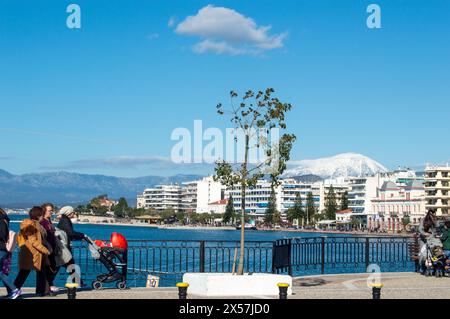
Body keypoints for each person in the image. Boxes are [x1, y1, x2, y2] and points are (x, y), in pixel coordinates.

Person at [14, 206, 51, 297]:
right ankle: (14, 290)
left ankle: (42, 291)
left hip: (36, 253)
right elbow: (33, 241)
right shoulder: (31, 224)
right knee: (24, 273)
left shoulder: (36, 224)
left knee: (40, 272)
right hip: (31, 254)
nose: (43, 216)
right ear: (39, 215)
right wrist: (45, 250)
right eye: (42, 214)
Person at [56, 206, 86, 284]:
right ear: (69, 213)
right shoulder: (65, 220)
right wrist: (82, 235)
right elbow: (70, 233)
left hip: (63, 246)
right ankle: (78, 282)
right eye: (73, 212)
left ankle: (78, 282)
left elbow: (68, 233)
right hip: (64, 247)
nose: (74, 213)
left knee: (68, 265)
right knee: (67, 264)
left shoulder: (64, 220)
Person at [0, 208, 21, 299]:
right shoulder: (4, 220)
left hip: (1, 249)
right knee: (2, 272)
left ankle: (14, 290)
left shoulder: (1, 221)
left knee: (1, 272)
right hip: (4, 249)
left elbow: (2, 235)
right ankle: (11, 291)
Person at [40, 203, 59, 295]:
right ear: (44, 211)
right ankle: (46, 290)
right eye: (49, 210)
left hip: (52, 248)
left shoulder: (48, 221)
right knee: (48, 269)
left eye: (52, 210)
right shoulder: (42, 222)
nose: (51, 212)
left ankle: (47, 288)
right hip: (47, 249)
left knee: (53, 267)